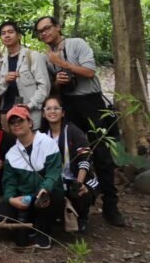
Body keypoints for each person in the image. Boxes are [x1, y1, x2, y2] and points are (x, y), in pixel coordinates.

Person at [35, 15, 125, 226]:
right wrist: (57, 80)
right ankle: (75, 202)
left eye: (47, 28)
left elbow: (90, 71)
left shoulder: (77, 44)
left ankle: (111, 206)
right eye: (40, 31)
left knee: (101, 154)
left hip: (91, 104)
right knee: (69, 153)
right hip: (68, 105)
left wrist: (62, 63)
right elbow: (52, 89)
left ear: (57, 27)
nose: (45, 33)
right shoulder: (46, 56)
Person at [1, 105, 64, 249]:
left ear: (30, 122)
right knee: (0, 213)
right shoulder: (11, 154)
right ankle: (27, 226)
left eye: (20, 121)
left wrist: (44, 189)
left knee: (51, 196)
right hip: (26, 198)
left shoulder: (47, 143)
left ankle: (43, 231)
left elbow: (53, 173)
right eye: (12, 122)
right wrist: (11, 199)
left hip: (46, 195)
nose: (16, 125)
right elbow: (9, 182)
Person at [40, 96, 98, 233]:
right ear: (43, 113)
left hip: (75, 177)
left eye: (56, 108)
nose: (52, 111)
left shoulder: (73, 131)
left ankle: (82, 217)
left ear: (63, 112)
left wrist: (79, 183)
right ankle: (57, 216)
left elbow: (85, 157)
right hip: (54, 179)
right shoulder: (42, 135)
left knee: (79, 191)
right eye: (48, 108)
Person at [0, 21, 49, 127]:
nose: (7, 35)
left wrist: (29, 105)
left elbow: (44, 86)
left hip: (28, 113)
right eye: (3, 33)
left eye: (10, 32)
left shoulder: (33, 56)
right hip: (6, 115)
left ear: (18, 35)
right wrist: (5, 81)